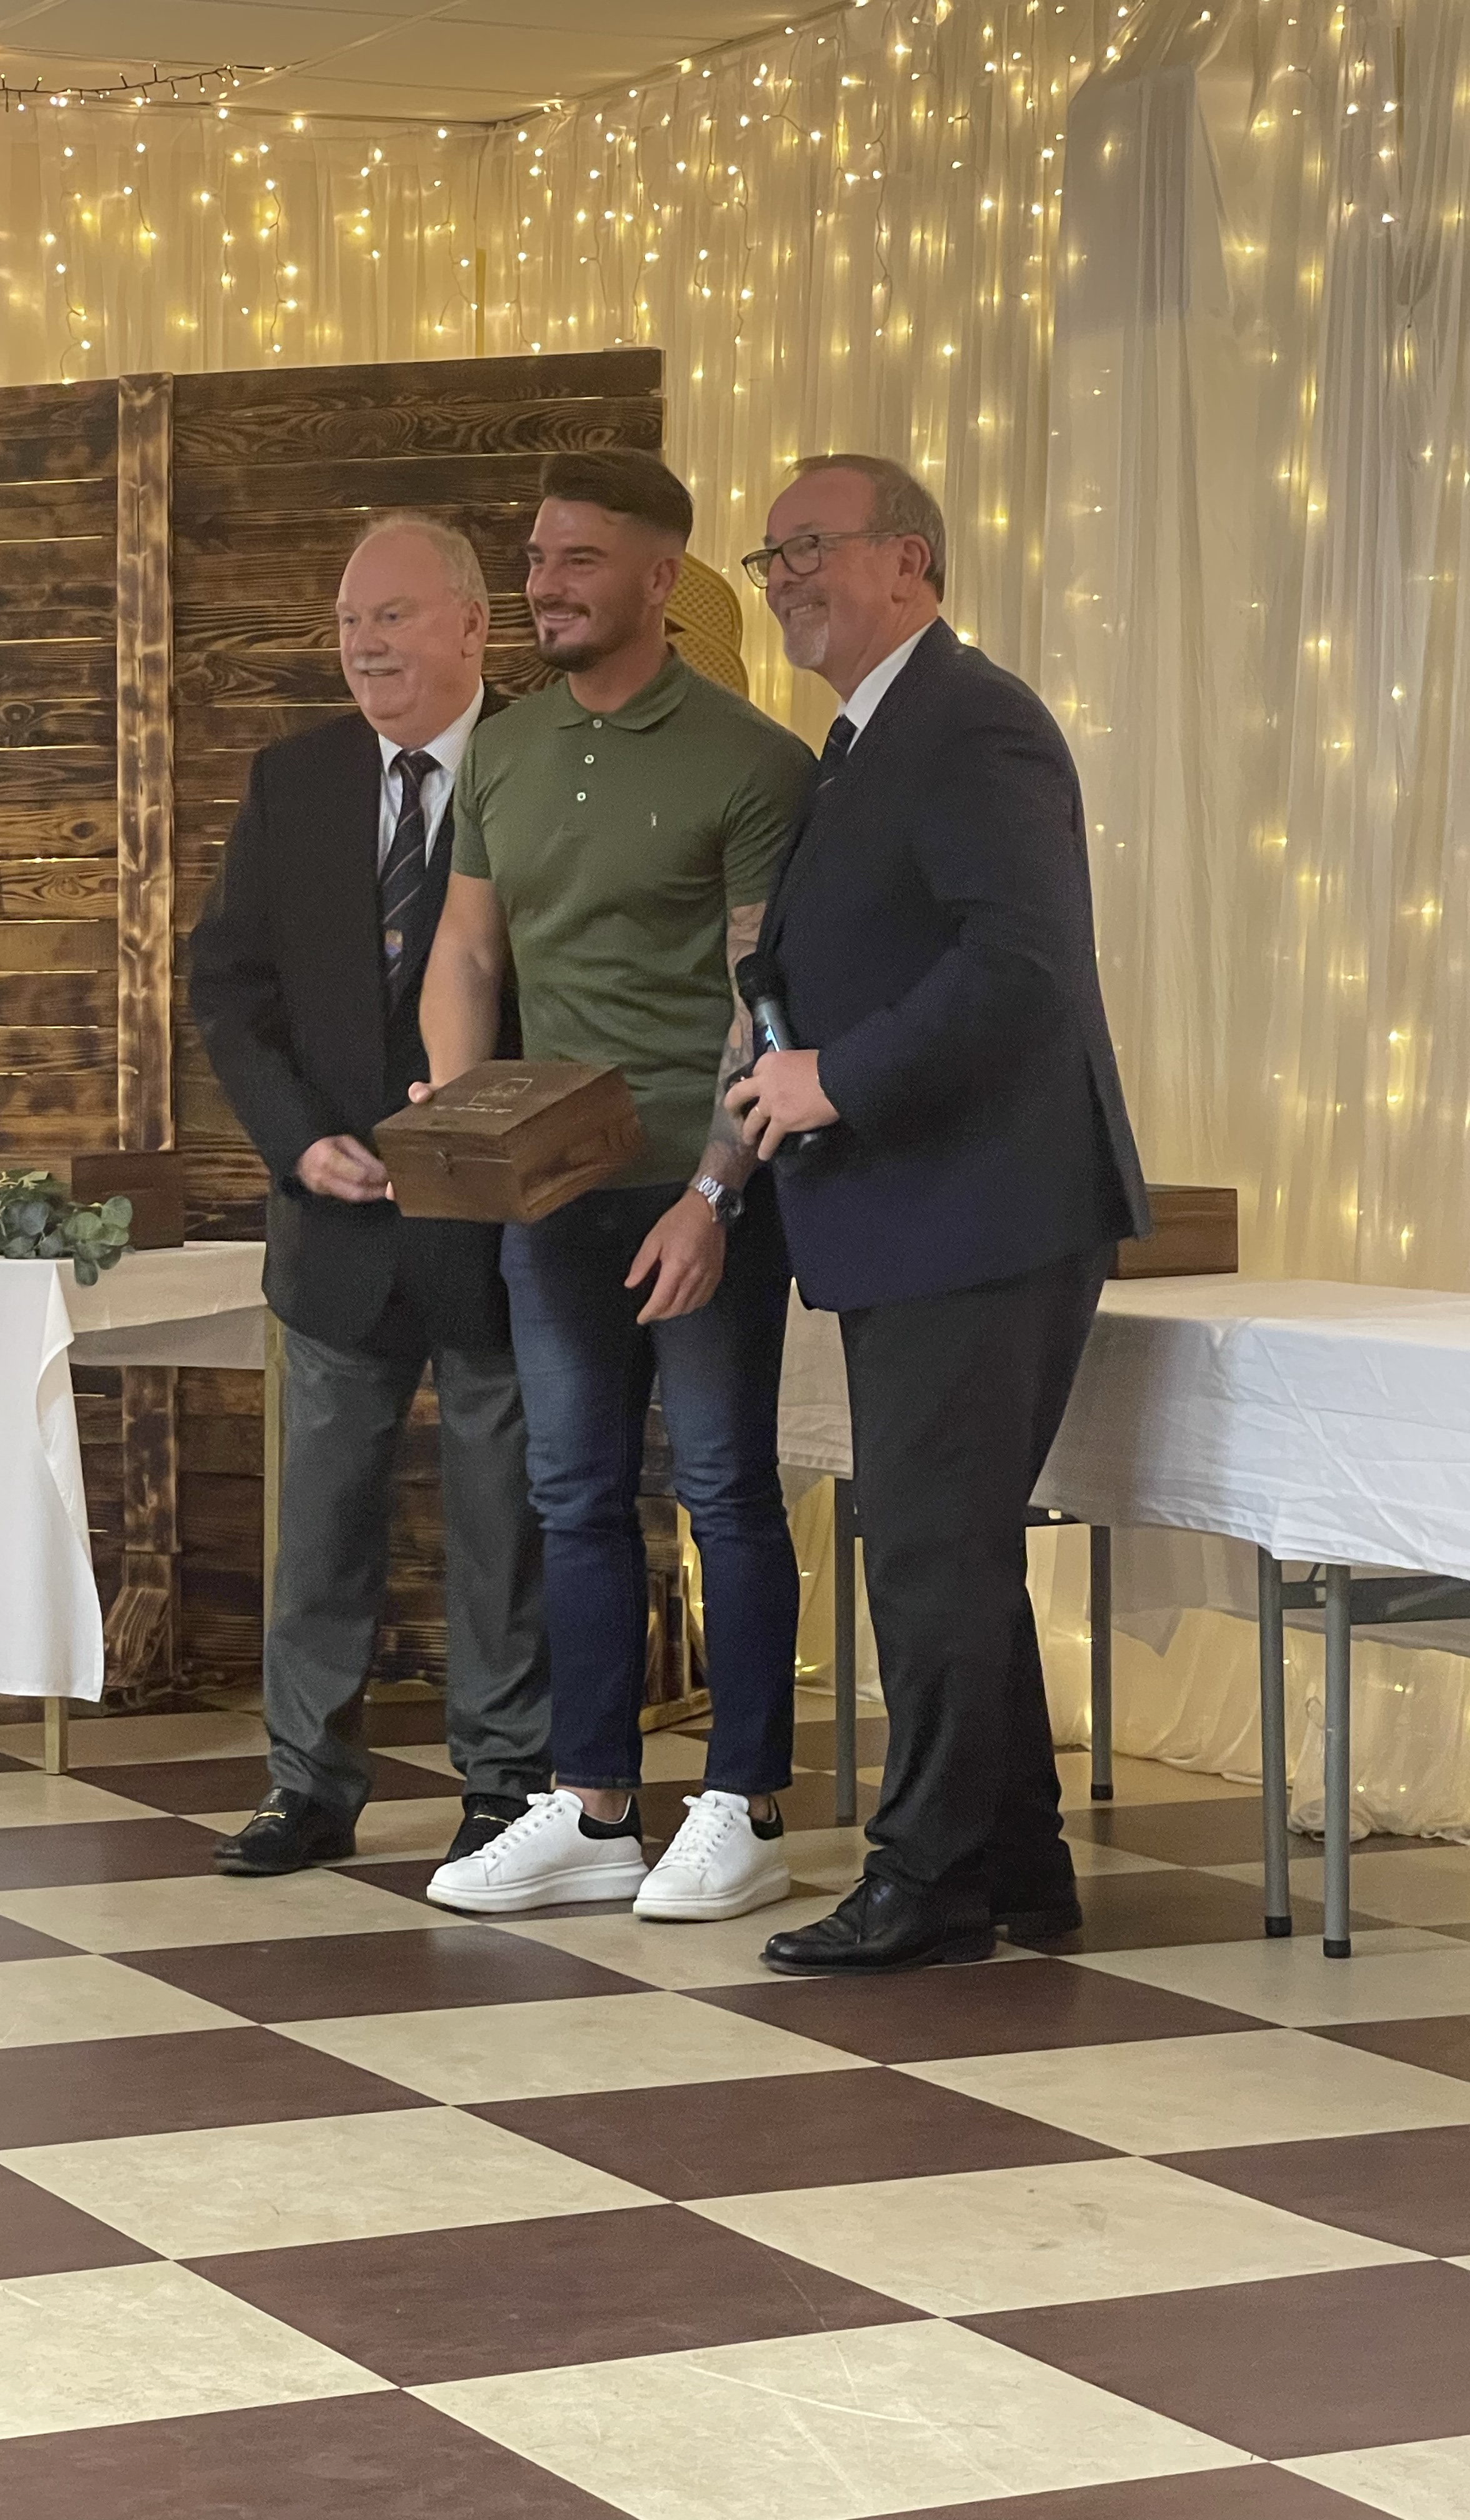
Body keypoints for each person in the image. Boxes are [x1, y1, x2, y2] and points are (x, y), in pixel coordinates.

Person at [728, 453, 1149, 1972]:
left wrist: (834, 1077)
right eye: (770, 557)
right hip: (920, 1208)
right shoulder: (861, 740)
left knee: (927, 1551)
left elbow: (1017, 965)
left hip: (983, 1205)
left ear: (909, 561)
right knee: (941, 1541)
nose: (783, 579)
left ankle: (932, 1881)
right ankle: (1018, 1862)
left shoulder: (973, 720)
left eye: (810, 548)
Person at [418, 449, 817, 1924]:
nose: (546, 585)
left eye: (579, 560)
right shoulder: (503, 753)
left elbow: (760, 1000)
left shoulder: (754, 763)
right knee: (572, 1495)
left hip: (702, 1193)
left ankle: (745, 1806)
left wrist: (714, 1193)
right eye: (536, 558)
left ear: (662, 579)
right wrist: (467, 1126)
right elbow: (467, 954)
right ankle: (591, 1812)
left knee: (723, 1491)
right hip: (548, 1194)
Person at [189, 514, 549, 1875]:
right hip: (334, 1225)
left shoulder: (543, 762)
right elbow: (229, 986)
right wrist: (298, 1143)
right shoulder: (295, 782)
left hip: (500, 1229)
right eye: (349, 623)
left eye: (392, 616)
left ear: (473, 625)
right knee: (322, 1525)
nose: (364, 645)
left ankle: (505, 1789)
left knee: (504, 1523)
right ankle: (307, 1787)